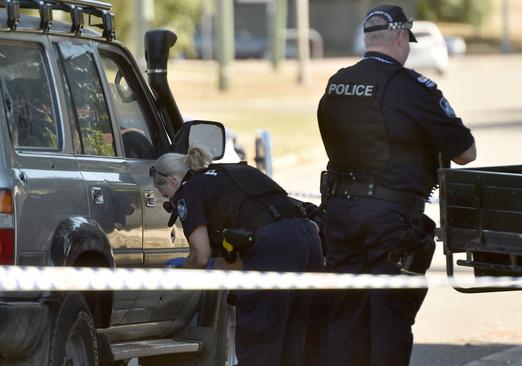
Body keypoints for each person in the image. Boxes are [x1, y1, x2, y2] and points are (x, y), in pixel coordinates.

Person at [317, 4, 477, 366]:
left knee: (345, 316)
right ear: (401, 37)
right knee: (390, 318)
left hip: (339, 215)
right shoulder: (413, 87)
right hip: (391, 222)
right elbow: (466, 153)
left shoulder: (337, 82)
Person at [151, 144, 326, 366]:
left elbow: (201, 254)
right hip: (308, 238)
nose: (171, 201)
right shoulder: (229, 174)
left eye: (166, 195)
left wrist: (183, 272)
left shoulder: (188, 189)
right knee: (294, 343)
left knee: (259, 342)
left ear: (172, 181)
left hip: (272, 246)